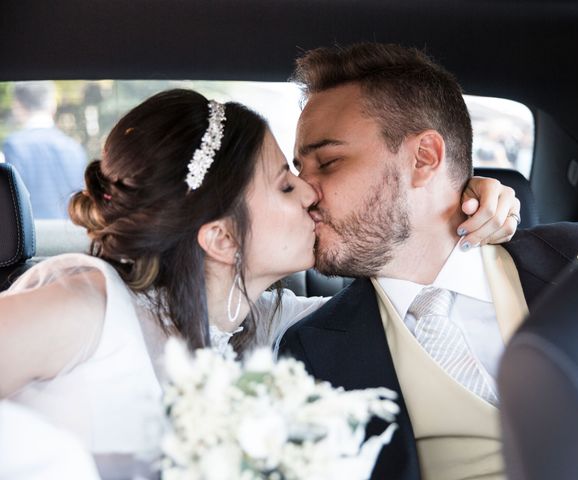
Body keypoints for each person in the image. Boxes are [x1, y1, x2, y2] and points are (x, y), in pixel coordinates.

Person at [0, 88, 519, 475]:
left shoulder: (277, 331)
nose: (312, 195)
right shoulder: (86, 308)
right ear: (223, 239)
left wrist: (454, 198)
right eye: (285, 183)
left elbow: (415, 295)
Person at [277, 42, 578, 480]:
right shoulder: (309, 355)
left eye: (328, 162)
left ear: (425, 158)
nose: (306, 191)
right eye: (298, 172)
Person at [2, 81, 87, 219]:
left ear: (17, 105)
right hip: (70, 235)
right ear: (52, 105)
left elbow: (12, 201)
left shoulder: (14, 146)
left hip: (32, 237)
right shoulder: (74, 147)